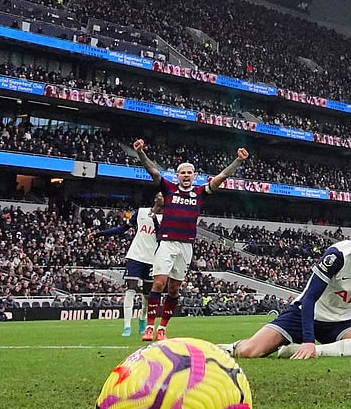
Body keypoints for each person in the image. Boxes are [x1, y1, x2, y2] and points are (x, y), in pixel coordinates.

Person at [220, 215, 351, 359]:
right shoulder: (338, 255)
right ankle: (229, 347)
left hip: (340, 322)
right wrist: (307, 340)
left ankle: (302, 351)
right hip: (306, 314)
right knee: (249, 352)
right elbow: (310, 297)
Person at [133, 139, 249, 341]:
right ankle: (149, 326)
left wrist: (238, 161)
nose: (186, 175)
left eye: (189, 172)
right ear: (177, 176)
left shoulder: (199, 192)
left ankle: (163, 328)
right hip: (167, 242)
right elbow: (153, 171)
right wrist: (141, 153)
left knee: (174, 288)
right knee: (159, 283)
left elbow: (222, 176)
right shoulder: (169, 189)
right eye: (183, 172)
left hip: (186, 245)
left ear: (194, 176)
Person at [95, 193, 163, 337]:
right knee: (130, 289)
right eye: (158, 194)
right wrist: (101, 233)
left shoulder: (167, 219)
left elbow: (160, 236)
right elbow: (122, 229)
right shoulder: (141, 212)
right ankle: (126, 326)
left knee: (147, 295)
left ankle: (143, 319)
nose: (159, 196)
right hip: (136, 256)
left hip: (152, 259)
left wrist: (155, 220)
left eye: (163, 195)